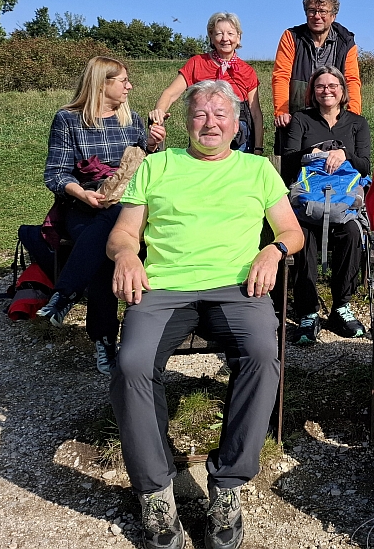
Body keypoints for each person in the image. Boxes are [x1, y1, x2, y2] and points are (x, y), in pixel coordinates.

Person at [107, 80, 303, 549]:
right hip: (165, 286)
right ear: (186, 121)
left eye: (221, 114)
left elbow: (292, 231)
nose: (210, 122)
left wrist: (274, 250)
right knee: (132, 363)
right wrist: (126, 257)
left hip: (237, 287)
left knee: (261, 353)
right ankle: (155, 490)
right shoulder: (158, 165)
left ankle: (229, 484)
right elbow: (122, 234)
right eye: (200, 114)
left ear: (237, 124)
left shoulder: (256, 170)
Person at [36, 56, 166, 375]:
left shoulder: (132, 119)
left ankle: (66, 297)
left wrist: (152, 146)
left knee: (114, 234)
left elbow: (146, 168)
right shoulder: (68, 120)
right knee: (108, 249)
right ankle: (106, 339)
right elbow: (55, 174)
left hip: (127, 202)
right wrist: (83, 193)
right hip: (85, 204)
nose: (129, 86)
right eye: (123, 80)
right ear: (102, 83)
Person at [283, 65, 371, 344]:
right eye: (320, 86)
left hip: (343, 202)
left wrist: (343, 153)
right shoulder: (301, 120)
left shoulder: (357, 123)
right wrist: (313, 153)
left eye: (333, 85)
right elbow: (287, 163)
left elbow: (365, 167)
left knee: (353, 233)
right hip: (309, 202)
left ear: (343, 91)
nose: (327, 91)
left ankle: (340, 307)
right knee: (302, 235)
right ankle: (308, 310)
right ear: (313, 92)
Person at [149, 12, 265, 154]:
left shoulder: (248, 71)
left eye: (230, 33)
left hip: (239, 137)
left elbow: (256, 113)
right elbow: (170, 93)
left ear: (238, 37)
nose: (225, 39)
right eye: (219, 34)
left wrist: (258, 148)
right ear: (211, 36)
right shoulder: (197, 63)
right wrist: (159, 111)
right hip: (204, 133)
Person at [271, 0, 362, 154]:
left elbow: (351, 80)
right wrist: (281, 111)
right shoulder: (291, 37)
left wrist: (353, 114)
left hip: (333, 116)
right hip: (297, 115)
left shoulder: (346, 42)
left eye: (322, 11)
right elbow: (281, 76)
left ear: (333, 16)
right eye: (312, 11)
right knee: (289, 168)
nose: (317, 16)